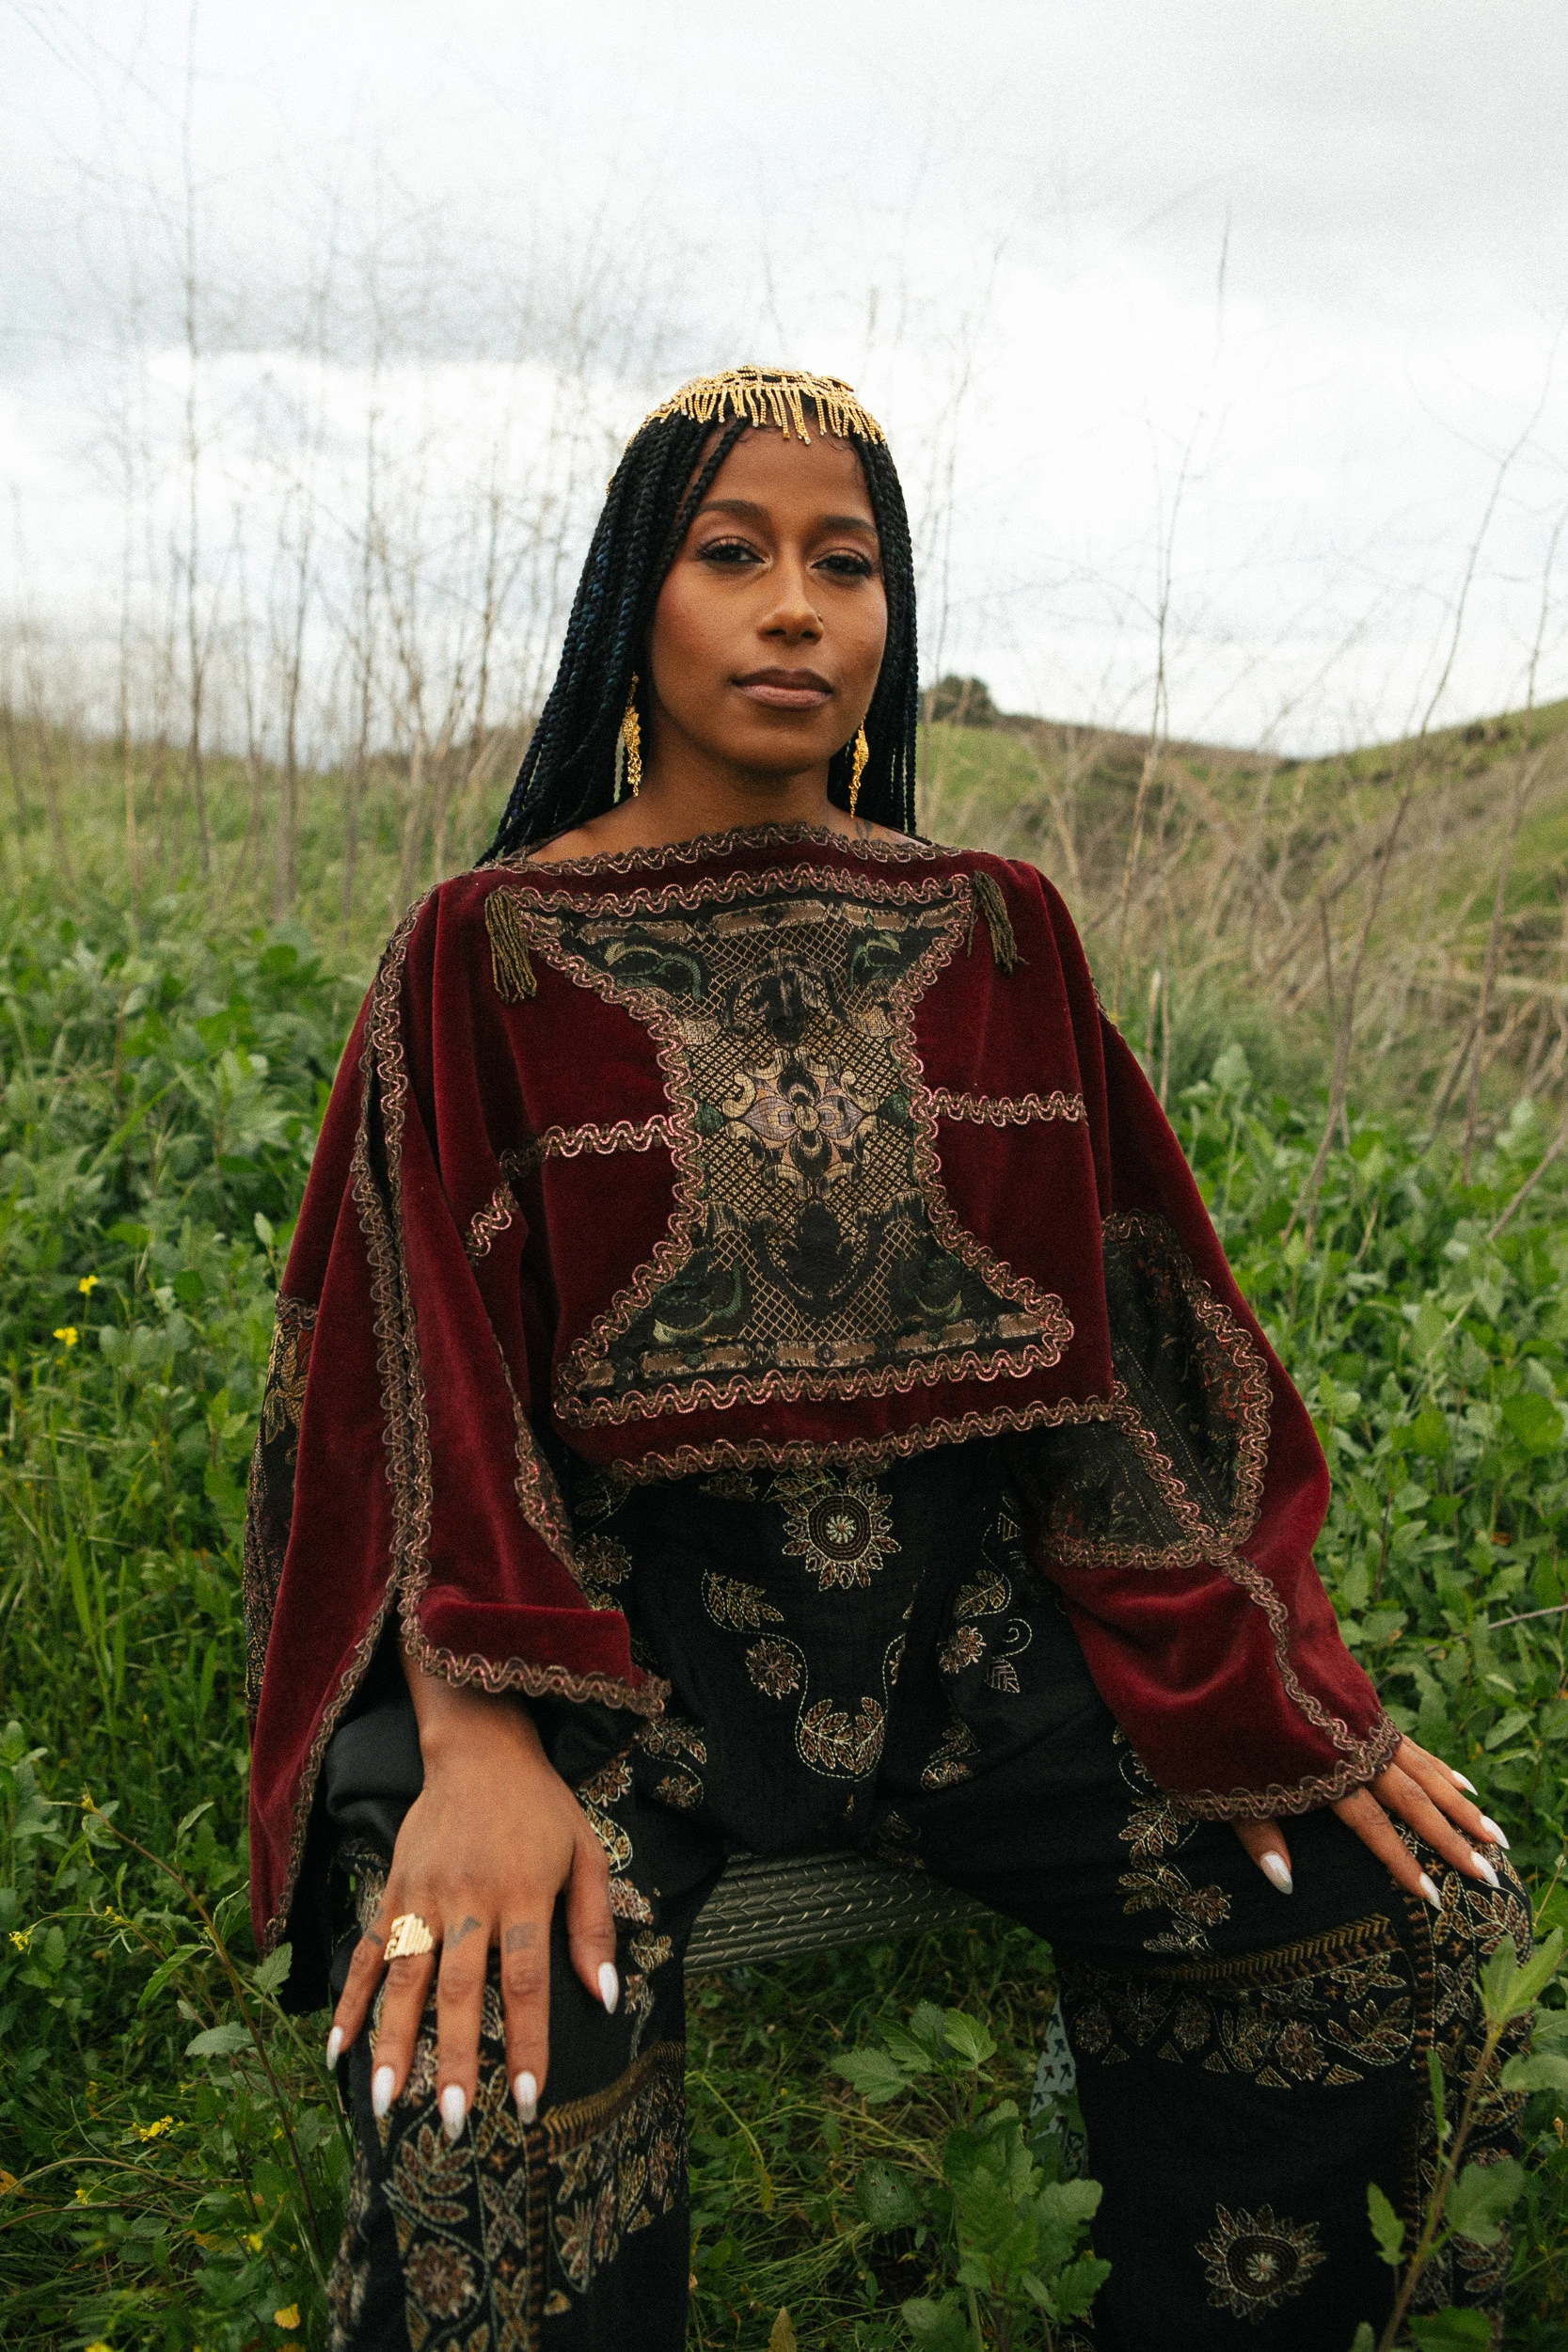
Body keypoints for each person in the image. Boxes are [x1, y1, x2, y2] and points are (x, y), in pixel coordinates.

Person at [245, 366, 1528, 2350]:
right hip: (600, 1652)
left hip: (966, 1636)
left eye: (841, 564)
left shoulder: (997, 928)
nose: (793, 609)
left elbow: (1118, 1351)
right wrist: (482, 1746)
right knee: (491, 2069)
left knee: (1360, 1920)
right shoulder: (484, 946)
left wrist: (1273, 1685)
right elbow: (426, 1396)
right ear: (629, 607)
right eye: (730, 554)